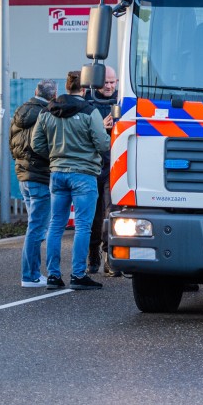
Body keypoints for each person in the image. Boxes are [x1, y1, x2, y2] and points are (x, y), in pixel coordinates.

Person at [31, 71, 111, 290]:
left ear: (65, 87)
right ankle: (78, 275)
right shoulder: (89, 111)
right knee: (83, 226)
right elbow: (103, 144)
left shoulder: (48, 111)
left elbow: (36, 144)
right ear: (84, 89)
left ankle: (54, 276)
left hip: (57, 174)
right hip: (83, 174)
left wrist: (56, 155)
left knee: (55, 225)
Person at [11, 79, 58, 287]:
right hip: (40, 175)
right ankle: (29, 275)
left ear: (35, 92)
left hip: (23, 175)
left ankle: (33, 273)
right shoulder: (47, 114)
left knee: (35, 226)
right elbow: (45, 145)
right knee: (37, 228)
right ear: (53, 96)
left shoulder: (20, 111)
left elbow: (13, 144)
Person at [87, 70, 120, 277]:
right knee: (92, 215)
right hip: (92, 166)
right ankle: (93, 257)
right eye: (106, 82)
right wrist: (101, 127)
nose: (109, 86)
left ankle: (109, 258)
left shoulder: (123, 102)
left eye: (112, 82)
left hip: (114, 167)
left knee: (111, 213)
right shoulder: (87, 104)